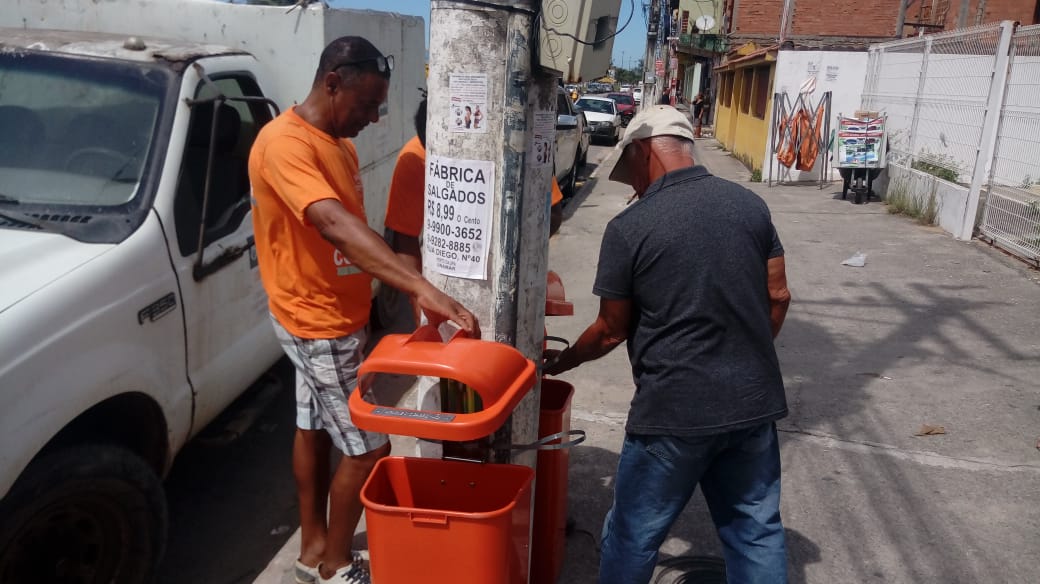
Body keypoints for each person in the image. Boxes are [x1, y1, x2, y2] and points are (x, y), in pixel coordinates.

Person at [248, 37, 479, 584]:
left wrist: (399, 286)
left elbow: (356, 232)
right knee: (369, 446)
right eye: (367, 106)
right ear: (332, 82)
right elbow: (333, 224)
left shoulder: (339, 143)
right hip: (316, 320)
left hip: (334, 314)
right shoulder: (284, 144)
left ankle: (310, 548)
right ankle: (333, 565)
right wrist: (421, 288)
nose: (375, 118)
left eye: (380, 107)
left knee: (312, 427)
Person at [544, 105, 792, 584]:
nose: (632, 185)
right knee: (754, 532)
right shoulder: (750, 207)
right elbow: (777, 295)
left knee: (633, 535)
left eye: (630, 171)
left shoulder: (630, 228)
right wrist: (749, 354)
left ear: (643, 151)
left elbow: (612, 329)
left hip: (671, 413)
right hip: (753, 403)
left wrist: (565, 359)